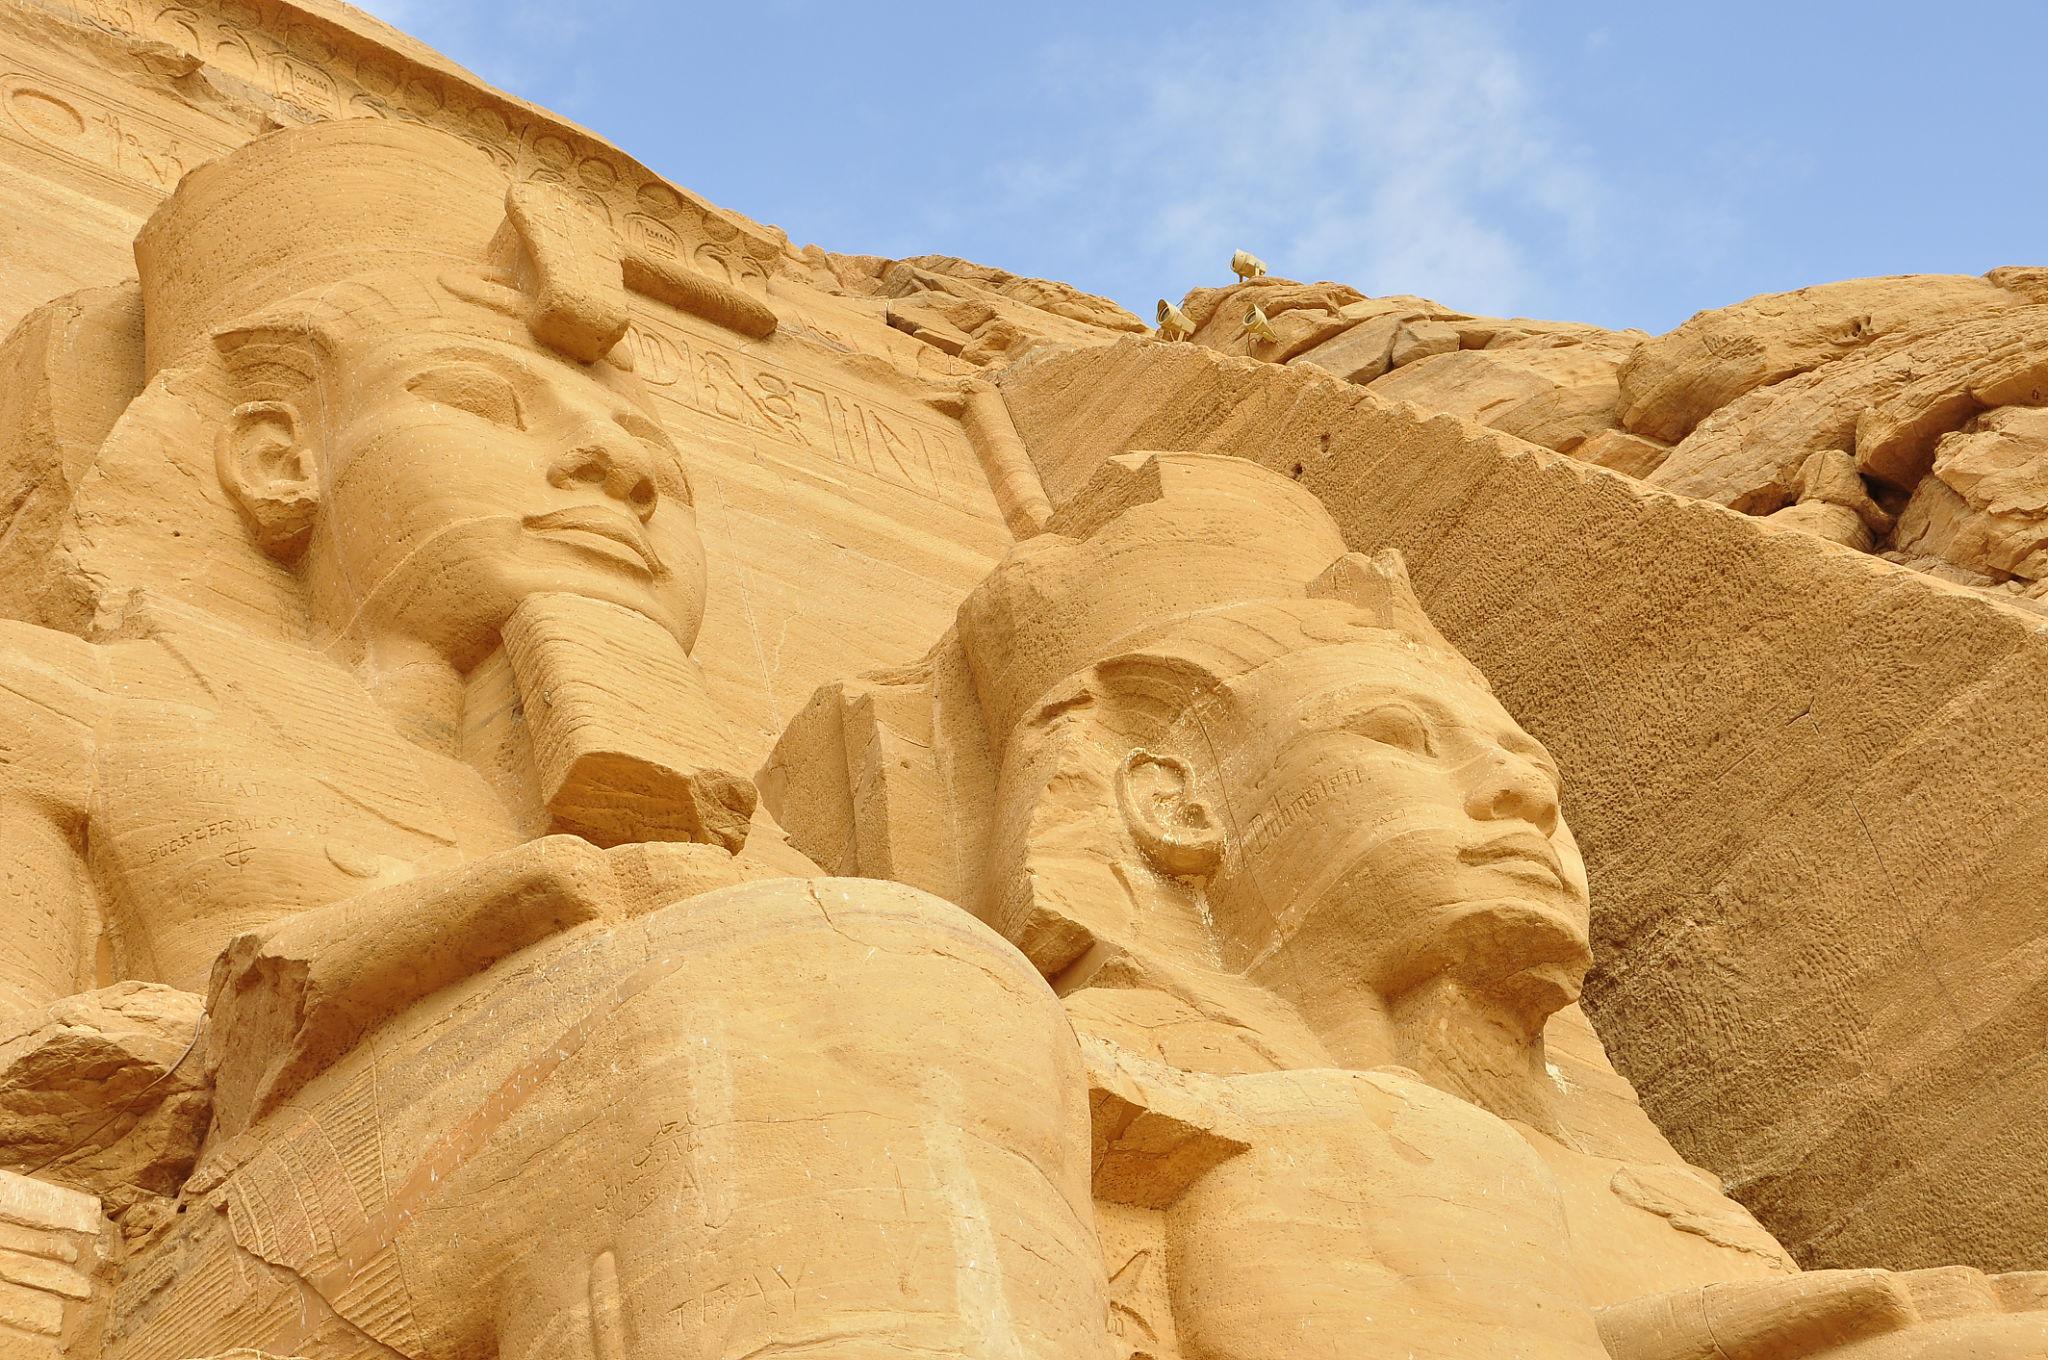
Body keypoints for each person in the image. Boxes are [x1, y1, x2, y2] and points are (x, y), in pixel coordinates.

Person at [0, 120, 1114, 1360]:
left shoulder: (762, 860)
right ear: (278, 457)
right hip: (232, 1256)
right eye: (484, 402)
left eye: (661, 466)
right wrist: (435, 935)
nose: (610, 465)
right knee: (816, 980)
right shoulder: (61, 703)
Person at [765, 451, 2048, 1359]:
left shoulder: (1672, 1204)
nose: (1518, 798)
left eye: (1532, 769)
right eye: (1400, 738)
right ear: (1170, 805)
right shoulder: (1193, 1113)